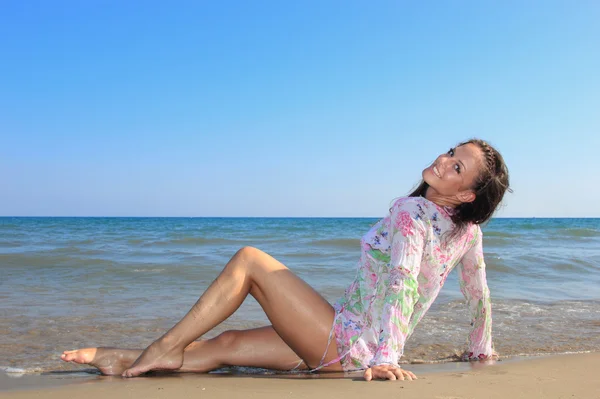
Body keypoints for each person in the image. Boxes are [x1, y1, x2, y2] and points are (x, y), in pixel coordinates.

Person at [61, 138, 510, 382]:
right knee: (230, 344)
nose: (443, 160)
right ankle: (127, 359)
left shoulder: (410, 211)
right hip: (350, 340)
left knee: (250, 260)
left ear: (467, 194)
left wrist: (387, 357)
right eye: (452, 152)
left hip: (352, 346)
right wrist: (481, 350)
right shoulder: (467, 233)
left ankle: (162, 346)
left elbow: (402, 279)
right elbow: (479, 296)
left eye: (456, 167)